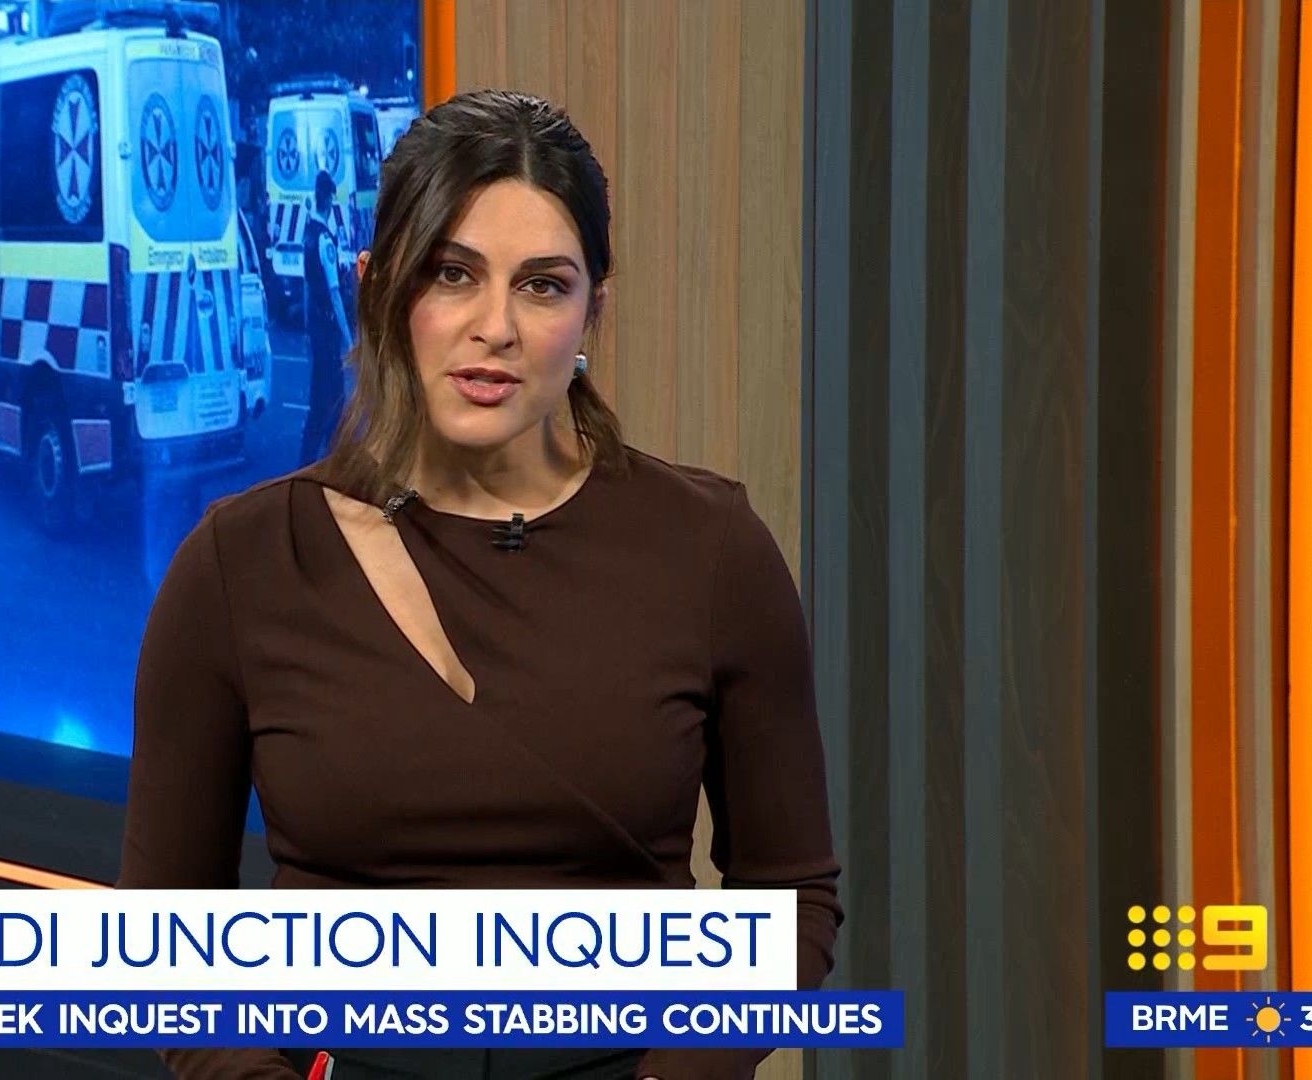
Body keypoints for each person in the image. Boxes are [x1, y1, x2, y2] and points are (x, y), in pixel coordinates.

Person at [120, 89, 842, 1080]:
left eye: (542, 286)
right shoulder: (240, 566)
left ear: (592, 311)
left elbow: (791, 894)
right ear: (377, 288)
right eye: (452, 273)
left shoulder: (712, 551)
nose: (494, 326)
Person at [297, 168, 354, 466]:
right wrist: (349, 340)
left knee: (327, 398)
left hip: (316, 328)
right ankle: (318, 462)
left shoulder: (307, 235)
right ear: (329, 200)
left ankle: (330, 458)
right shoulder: (325, 241)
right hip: (328, 330)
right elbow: (334, 295)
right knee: (329, 399)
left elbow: (308, 286)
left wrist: (308, 329)